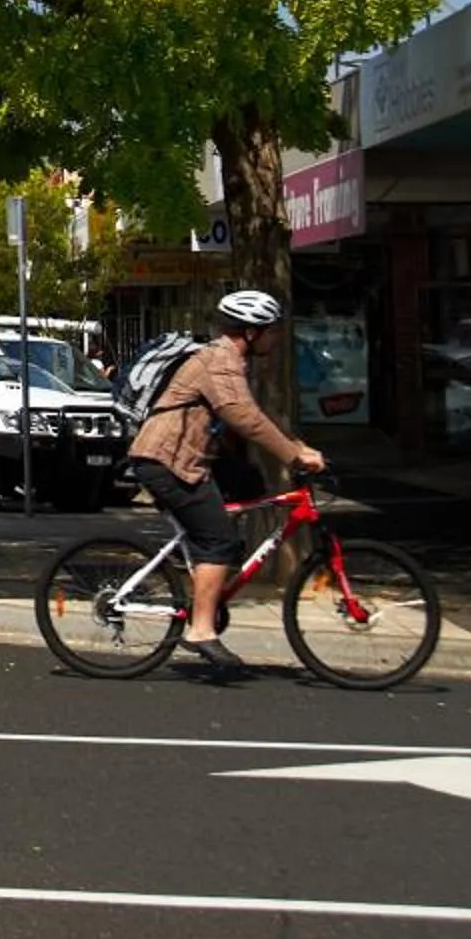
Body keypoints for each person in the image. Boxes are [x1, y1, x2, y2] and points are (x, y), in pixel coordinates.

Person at [124, 288, 325, 678]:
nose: (276, 337)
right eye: (271, 330)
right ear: (250, 331)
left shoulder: (226, 360)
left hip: (189, 460)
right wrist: (293, 454)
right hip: (167, 461)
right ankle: (200, 629)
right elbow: (242, 416)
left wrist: (293, 444)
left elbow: (250, 414)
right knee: (218, 540)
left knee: (242, 499)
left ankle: (208, 596)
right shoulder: (218, 360)